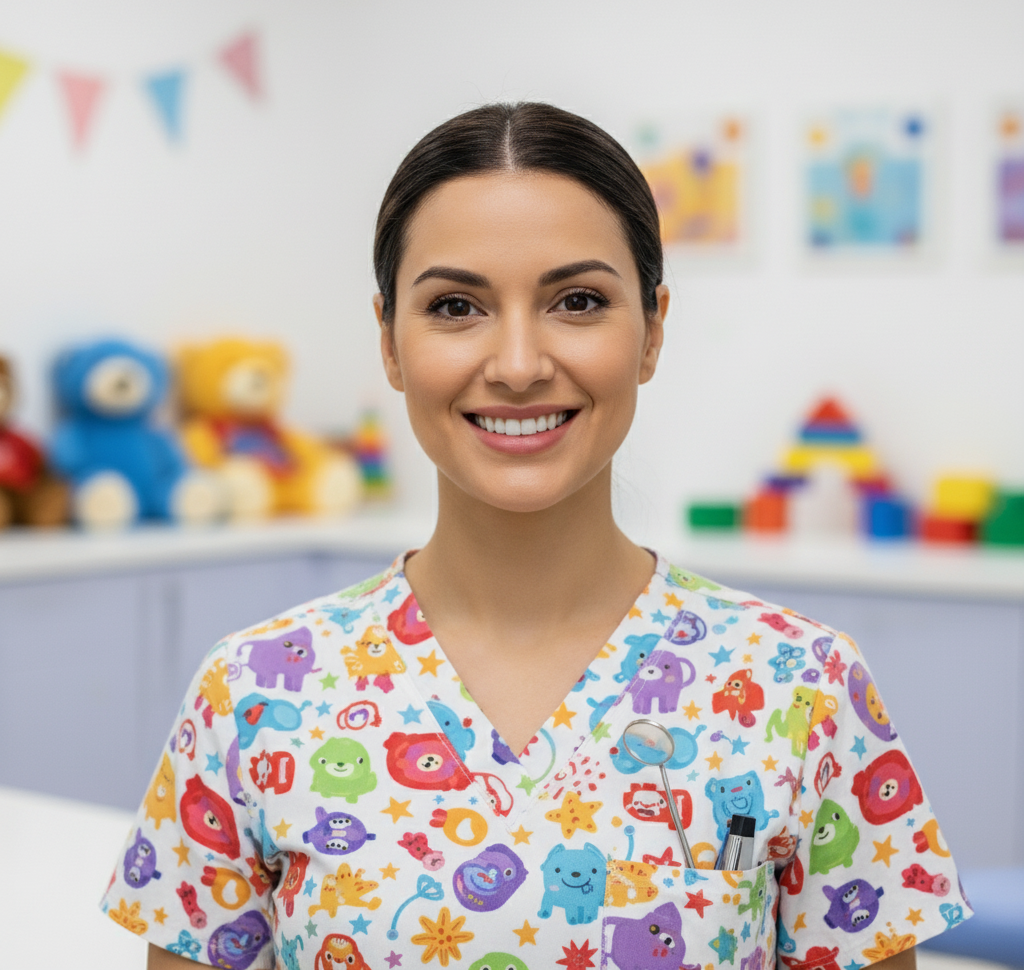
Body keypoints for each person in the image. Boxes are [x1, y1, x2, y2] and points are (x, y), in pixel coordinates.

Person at [104, 103, 969, 969]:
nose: (518, 365)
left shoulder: (804, 691)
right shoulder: (250, 698)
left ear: (652, 330)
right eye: (455, 306)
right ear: (390, 343)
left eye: (579, 301)